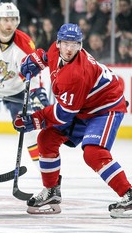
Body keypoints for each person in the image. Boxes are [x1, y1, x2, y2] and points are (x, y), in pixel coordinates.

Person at [13, 23, 132, 218]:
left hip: (105, 108)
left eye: (75, 44)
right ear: (58, 43)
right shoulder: (55, 50)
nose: (69, 49)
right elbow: (45, 56)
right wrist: (36, 60)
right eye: (66, 43)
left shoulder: (76, 74)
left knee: (94, 154)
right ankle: (51, 191)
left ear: (80, 45)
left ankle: (129, 194)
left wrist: (34, 120)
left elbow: (63, 115)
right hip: (83, 107)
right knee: (46, 139)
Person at [0, 2, 49, 170]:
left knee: (28, 132)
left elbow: (33, 73)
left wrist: (37, 93)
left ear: (18, 21)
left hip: (16, 90)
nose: (9, 24)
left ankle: (45, 170)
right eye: (5, 20)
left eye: (13, 20)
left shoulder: (24, 44)